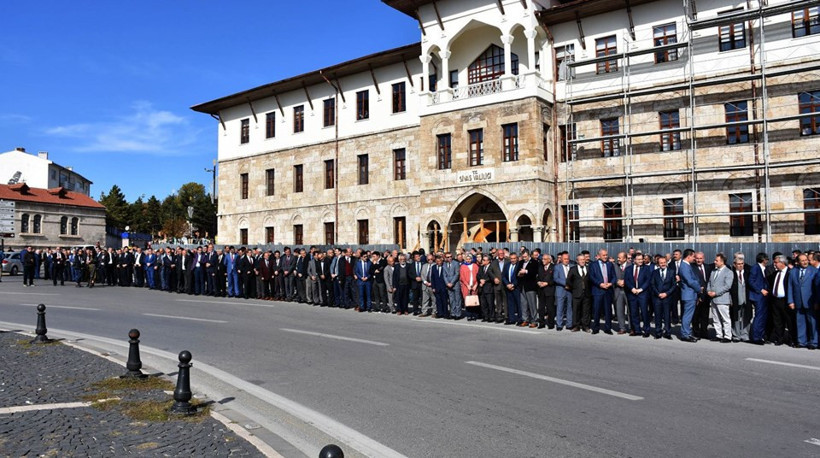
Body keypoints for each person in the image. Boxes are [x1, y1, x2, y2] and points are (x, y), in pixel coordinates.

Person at [787, 254, 818, 349]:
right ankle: (801, 341)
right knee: (800, 322)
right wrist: (790, 301)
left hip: (810, 302)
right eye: (802, 260)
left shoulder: (814, 271)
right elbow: (790, 287)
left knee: (812, 323)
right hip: (798, 301)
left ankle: (813, 342)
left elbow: (817, 288)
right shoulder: (793, 272)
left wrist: (817, 301)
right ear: (798, 262)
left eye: (806, 260)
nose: (805, 262)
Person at [706, 253, 733, 343]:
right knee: (716, 318)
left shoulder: (728, 272)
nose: (715, 262)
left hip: (722, 299)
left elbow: (727, 286)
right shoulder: (713, 271)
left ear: (722, 262)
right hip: (713, 298)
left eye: (716, 260)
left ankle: (728, 336)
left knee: (725, 318)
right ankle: (718, 334)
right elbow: (709, 282)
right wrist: (708, 291)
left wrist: (716, 293)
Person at [589, 248, 616, 335]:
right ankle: (595, 328)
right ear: (599, 255)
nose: (605, 257)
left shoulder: (610, 264)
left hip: (608, 291)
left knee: (608, 310)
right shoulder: (593, 265)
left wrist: (610, 283)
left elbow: (614, 276)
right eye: (604, 255)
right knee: (596, 310)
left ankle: (608, 328)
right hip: (598, 290)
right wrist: (600, 284)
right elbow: (591, 277)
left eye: (606, 255)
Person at [624, 253, 651, 337]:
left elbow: (648, 280)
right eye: (638, 259)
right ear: (634, 260)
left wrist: (640, 289)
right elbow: (626, 280)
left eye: (641, 259)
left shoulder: (647, 268)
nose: (640, 261)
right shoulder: (628, 269)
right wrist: (632, 288)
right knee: (633, 312)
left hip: (642, 294)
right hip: (632, 293)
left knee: (644, 312)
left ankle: (646, 330)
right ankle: (636, 330)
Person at [678, 249, 701, 342]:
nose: (694, 258)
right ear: (689, 256)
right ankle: (685, 334)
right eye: (693, 256)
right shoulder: (684, 266)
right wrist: (699, 288)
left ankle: (687, 332)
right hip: (689, 294)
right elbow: (690, 281)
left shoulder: (686, 265)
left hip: (690, 294)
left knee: (688, 315)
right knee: (687, 315)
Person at [767, 255, 790, 346]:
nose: (774, 264)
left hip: (785, 300)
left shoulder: (789, 273)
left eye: (776, 262)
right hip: (775, 300)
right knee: (778, 321)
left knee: (788, 320)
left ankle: (791, 339)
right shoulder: (775, 274)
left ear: (782, 263)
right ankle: (779, 338)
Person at [748, 253, 771, 345]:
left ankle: (760, 335)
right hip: (758, 296)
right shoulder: (755, 268)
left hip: (763, 296)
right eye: (767, 259)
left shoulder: (763, 268)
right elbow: (751, 281)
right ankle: (756, 337)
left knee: (762, 316)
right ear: (763, 260)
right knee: (759, 316)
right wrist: (760, 290)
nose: (767, 261)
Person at [651, 256, 676, 339]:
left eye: (664, 262)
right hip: (657, 297)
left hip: (667, 298)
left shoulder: (671, 272)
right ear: (658, 264)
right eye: (661, 263)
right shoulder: (654, 272)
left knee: (667, 316)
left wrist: (666, 293)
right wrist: (658, 293)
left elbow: (673, 285)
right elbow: (652, 284)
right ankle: (658, 332)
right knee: (657, 315)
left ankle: (668, 332)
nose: (663, 264)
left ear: (666, 263)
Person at [566, 253, 591, 333]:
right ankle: (576, 326)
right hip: (577, 293)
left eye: (583, 259)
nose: (582, 261)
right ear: (577, 261)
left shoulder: (588, 268)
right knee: (576, 310)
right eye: (580, 260)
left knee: (586, 311)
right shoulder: (573, 269)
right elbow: (568, 281)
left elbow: (590, 280)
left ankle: (585, 326)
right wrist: (574, 288)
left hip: (586, 293)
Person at [730, 253, 752, 342]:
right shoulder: (731, 273)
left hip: (746, 299)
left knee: (746, 317)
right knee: (735, 317)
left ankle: (745, 334)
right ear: (734, 265)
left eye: (742, 264)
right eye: (738, 264)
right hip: (735, 299)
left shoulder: (747, 272)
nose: (740, 266)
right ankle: (736, 335)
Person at [552, 252, 573, 331]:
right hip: (561, 290)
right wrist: (566, 284)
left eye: (567, 259)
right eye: (565, 259)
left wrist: (570, 285)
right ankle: (559, 324)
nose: (566, 260)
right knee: (560, 307)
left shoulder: (572, 266)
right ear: (561, 259)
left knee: (569, 307)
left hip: (570, 290)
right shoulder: (557, 267)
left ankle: (569, 324)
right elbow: (556, 278)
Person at [536, 254, 555, 329]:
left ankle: (551, 323)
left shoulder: (553, 267)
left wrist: (547, 283)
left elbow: (554, 279)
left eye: (545, 259)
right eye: (542, 259)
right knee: (541, 308)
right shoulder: (540, 267)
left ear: (549, 260)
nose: (543, 260)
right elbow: (537, 277)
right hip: (541, 290)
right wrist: (538, 282)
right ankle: (541, 323)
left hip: (549, 290)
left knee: (550, 308)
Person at [502, 253, 521, 325]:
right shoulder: (507, 265)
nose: (513, 260)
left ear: (517, 258)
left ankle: (520, 319)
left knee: (518, 304)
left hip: (516, 288)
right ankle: (511, 319)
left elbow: (519, 278)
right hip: (508, 287)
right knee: (510, 304)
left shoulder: (519, 265)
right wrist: (507, 284)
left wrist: (513, 284)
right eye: (511, 258)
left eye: (514, 258)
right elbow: (503, 276)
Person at [460, 255, 479, 320]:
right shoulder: (463, 266)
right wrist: (467, 285)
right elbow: (462, 277)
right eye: (467, 259)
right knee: (467, 301)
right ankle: (468, 315)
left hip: (474, 285)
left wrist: (476, 284)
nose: (468, 260)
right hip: (466, 286)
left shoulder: (475, 265)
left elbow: (478, 276)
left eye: (469, 259)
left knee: (474, 301)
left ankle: (474, 314)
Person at [444, 252, 463, 319]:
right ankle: (452, 313)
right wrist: (447, 283)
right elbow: (444, 275)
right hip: (448, 284)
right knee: (451, 300)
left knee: (457, 299)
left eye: (450, 256)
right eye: (448, 257)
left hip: (455, 283)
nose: (449, 258)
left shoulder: (456, 263)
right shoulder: (444, 264)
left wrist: (452, 283)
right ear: (445, 258)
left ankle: (458, 314)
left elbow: (457, 274)